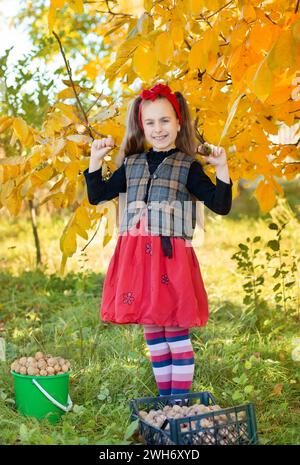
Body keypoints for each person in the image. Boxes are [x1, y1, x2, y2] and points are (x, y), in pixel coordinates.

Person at [83, 83, 233, 398]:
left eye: (165, 120)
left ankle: (179, 402)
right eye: (150, 122)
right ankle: (166, 404)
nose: (158, 128)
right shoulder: (132, 163)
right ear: (141, 126)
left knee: (176, 334)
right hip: (137, 257)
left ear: (179, 124)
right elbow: (98, 195)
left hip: (170, 258)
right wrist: (95, 162)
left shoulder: (187, 166)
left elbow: (220, 205)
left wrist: (222, 169)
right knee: (153, 333)